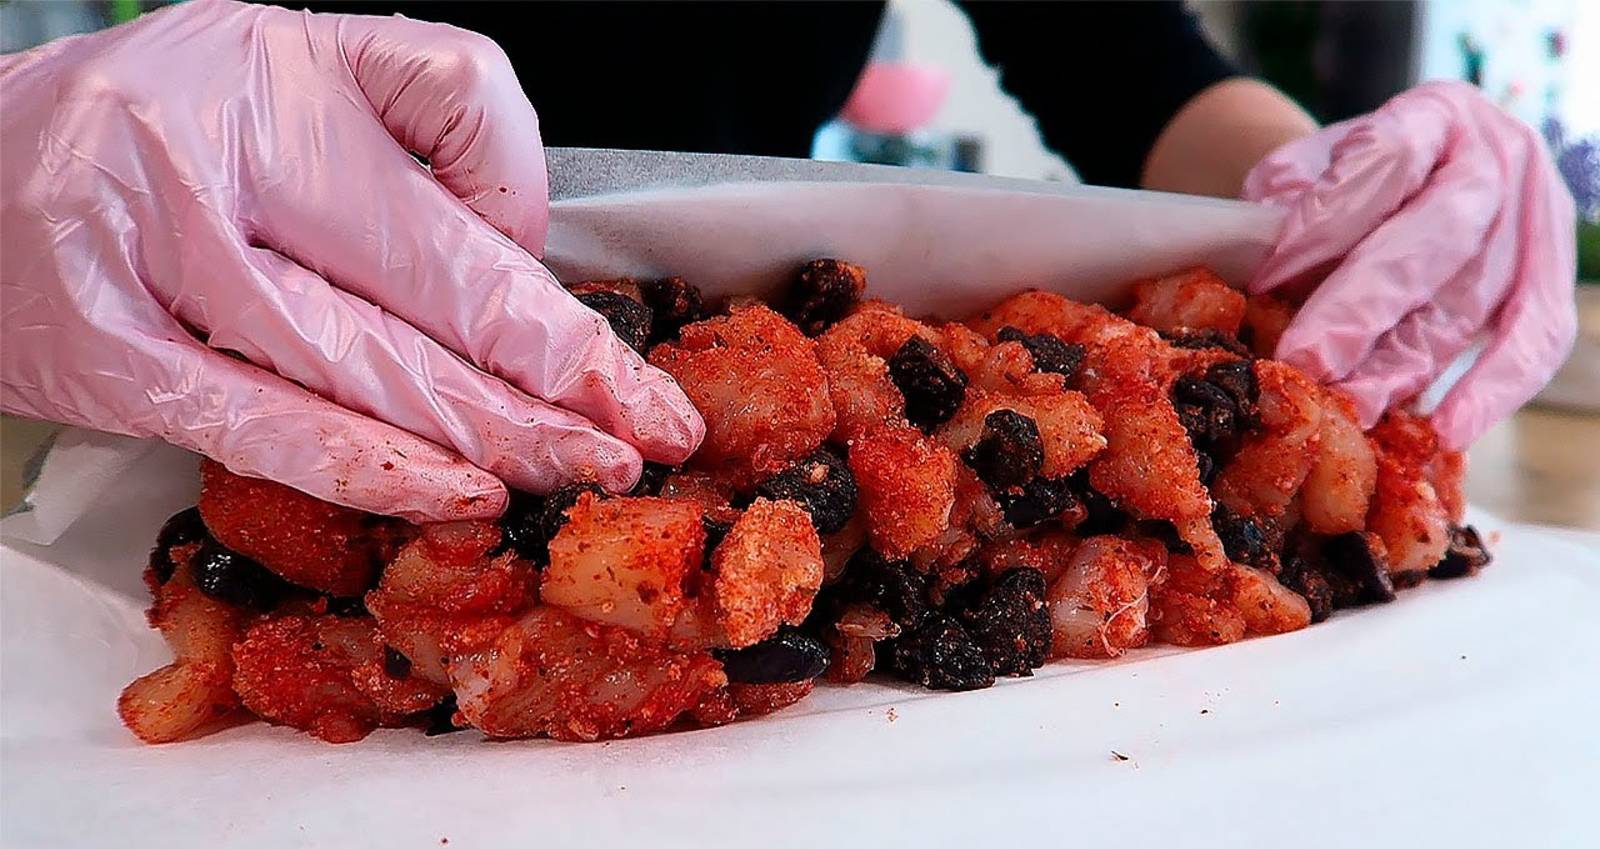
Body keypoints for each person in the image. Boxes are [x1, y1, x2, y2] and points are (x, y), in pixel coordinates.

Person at [0, 0, 1577, 521]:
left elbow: (1134, 72)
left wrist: (1345, 180)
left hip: (704, 374)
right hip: (193, 359)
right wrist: (29, 122)